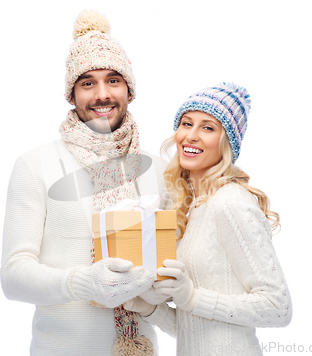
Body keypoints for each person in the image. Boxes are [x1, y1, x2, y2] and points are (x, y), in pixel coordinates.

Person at [1, 9, 171, 356]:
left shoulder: (158, 169)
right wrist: (82, 283)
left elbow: (174, 269)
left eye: (113, 80)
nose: (101, 95)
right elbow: (13, 276)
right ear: (72, 94)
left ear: (129, 89)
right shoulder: (36, 165)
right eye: (87, 83)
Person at [124, 83, 292, 355]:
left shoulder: (231, 202)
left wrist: (191, 296)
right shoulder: (190, 207)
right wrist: (150, 308)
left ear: (226, 143)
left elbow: (278, 308)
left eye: (208, 127)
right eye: (186, 124)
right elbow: (196, 327)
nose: (191, 136)